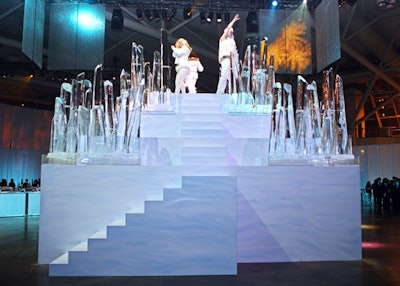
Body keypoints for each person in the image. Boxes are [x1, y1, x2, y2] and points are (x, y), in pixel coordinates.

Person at [216, 13, 240, 94]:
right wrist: (234, 20)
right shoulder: (223, 39)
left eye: (232, 32)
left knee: (234, 76)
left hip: (233, 59)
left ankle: (233, 91)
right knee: (224, 75)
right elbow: (228, 28)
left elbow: (236, 53)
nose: (231, 32)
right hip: (226, 58)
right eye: (230, 31)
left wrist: (237, 66)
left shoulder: (233, 41)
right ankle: (219, 92)